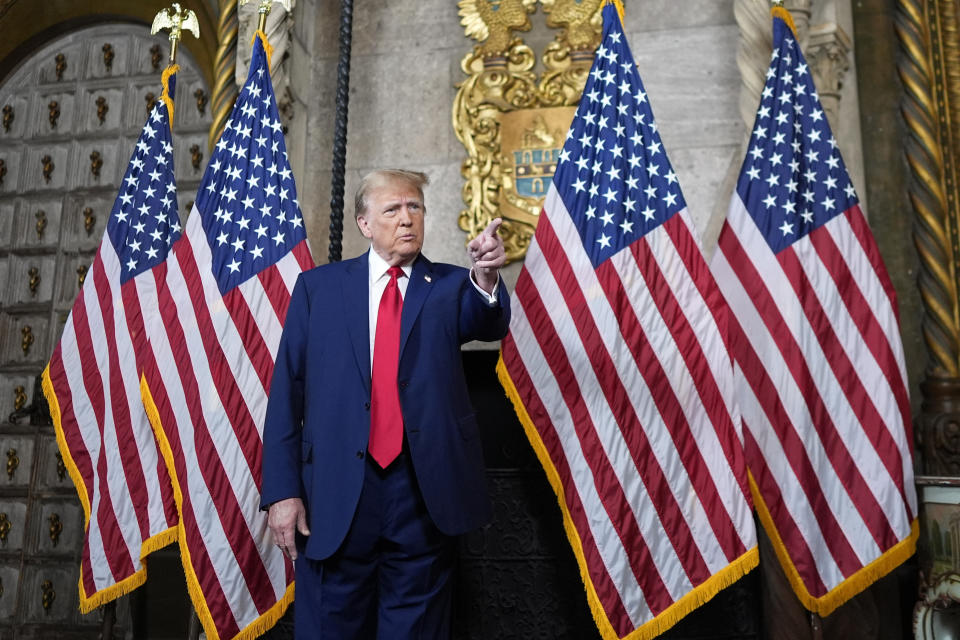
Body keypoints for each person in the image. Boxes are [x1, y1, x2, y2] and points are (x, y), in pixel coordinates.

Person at [260, 168, 509, 639]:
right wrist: (282, 491)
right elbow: (287, 393)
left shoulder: (453, 286)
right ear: (364, 223)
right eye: (392, 209)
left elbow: (486, 321)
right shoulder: (319, 289)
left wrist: (487, 275)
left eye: (415, 207)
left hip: (422, 494)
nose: (407, 218)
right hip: (333, 495)